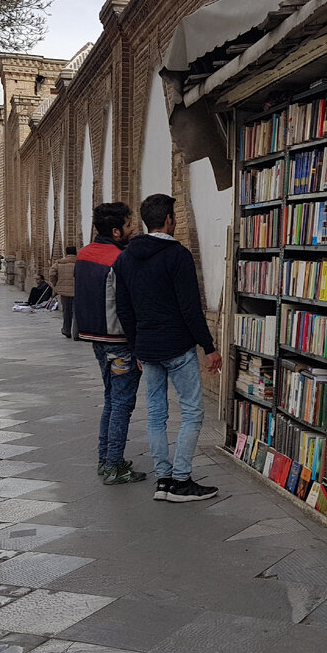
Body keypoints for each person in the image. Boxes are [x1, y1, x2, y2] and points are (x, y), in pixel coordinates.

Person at [114, 193, 222, 503]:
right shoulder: (178, 255)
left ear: (147, 221)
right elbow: (190, 308)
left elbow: (124, 309)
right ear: (170, 220)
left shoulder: (125, 258)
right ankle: (182, 479)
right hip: (177, 346)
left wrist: (135, 347)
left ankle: (163, 479)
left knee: (156, 415)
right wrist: (208, 346)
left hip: (147, 349)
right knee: (191, 412)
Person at [75, 202, 146, 486]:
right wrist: (139, 344)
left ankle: (106, 458)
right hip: (119, 340)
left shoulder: (84, 254)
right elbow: (127, 306)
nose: (132, 230)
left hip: (96, 338)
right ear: (116, 231)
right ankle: (114, 464)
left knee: (110, 399)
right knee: (122, 403)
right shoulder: (119, 259)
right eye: (129, 225)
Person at [48, 246, 78, 338]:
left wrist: (56, 284)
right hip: (77, 291)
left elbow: (52, 274)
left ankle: (66, 330)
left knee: (66, 312)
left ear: (66, 253)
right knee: (77, 312)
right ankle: (77, 334)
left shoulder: (59, 263)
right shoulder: (79, 262)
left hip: (64, 292)